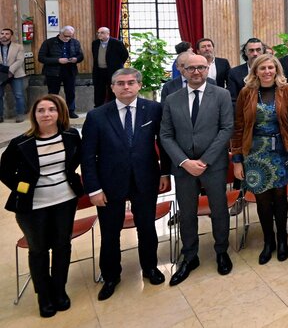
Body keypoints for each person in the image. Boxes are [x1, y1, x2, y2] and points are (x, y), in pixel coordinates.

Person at [81, 67, 170, 300]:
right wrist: (94, 189)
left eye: (131, 82)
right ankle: (110, 276)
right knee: (110, 232)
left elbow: (163, 142)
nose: (126, 87)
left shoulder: (153, 109)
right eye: (120, 83)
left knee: (147, 227)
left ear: (139, 85)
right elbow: (88, 156)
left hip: (145, 179)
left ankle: (150, 267)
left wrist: (164, 173)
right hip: (109, 184)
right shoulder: (97, 116)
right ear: (112, 87)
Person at [0, 95, 82, 317]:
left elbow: (76, 161)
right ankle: (43, 296)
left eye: (51, 109)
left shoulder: (71, 136)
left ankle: (59, 290)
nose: (46, 114)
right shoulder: (21, 143)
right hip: (33, 206)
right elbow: (4, 171)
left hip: (65, 201)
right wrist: (22, 187)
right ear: (34, 115)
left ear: (59, 112)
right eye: (41, 110)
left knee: (62, 246)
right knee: (38, 250)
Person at [159, 54, 235, 286]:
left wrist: (205, 160)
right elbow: (165, 135)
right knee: (188, 212)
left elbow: (227, 129)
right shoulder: (172, 99)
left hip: (213, 164)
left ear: (207, 68)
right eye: (191, 68)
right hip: (183, 168)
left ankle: (221, 251)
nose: (196, 72)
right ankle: (190, 256)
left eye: (201, 67)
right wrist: (184, 162)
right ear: (182, 70)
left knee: (219, 209)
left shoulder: (221, 95)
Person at [230, 54, 288, 264]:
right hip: (255, 153)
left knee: (280, 198)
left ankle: (282, 239)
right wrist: (236, 159)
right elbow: (239, 126)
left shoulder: (287, 90)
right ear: (255, 71)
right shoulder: (247, 93)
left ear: (277, 70)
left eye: (271, 67)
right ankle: (268, 241)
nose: (267, 71)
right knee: (262, 200)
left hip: (281, 150)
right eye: (263, 68)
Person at [38, 26, 84, 118]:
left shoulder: (75, 42)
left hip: (70, 70)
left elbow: (80, 55)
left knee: (70, 92)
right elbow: (41, 58)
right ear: (60, 33)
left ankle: (70, 111)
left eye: (70, 36)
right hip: (53, 72)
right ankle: (53, 110)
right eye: (66, 36)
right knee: (53, 93)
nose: (68, 38)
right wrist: (58, 60)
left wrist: (76, 59)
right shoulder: (49, 42)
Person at [91, 27, 129, 108]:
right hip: (99, 71)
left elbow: (125, 55)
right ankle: (98, 108)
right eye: (98, 33)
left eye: (102, 32)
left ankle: (113, 107)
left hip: (113, 71)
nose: (99, 34)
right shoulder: (95, 43)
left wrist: (117, 65)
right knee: (99, 90)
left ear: (108, 34)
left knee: (113, 89)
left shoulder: (117, 43)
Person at [0, 27, 27, 122]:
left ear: (11, 36)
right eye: (2, 33)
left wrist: (11, 71)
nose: (4, 35)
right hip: (0, 74)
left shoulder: (18, 47)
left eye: (7, 34)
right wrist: (6, 70)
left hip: (15, 74)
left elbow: (20, 60)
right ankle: (0, 116)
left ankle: (20, 114)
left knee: (19, 95)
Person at [227, 38, 265, 103]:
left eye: (258, 50)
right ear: (245, 52)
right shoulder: (234, 73)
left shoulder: (271, 71)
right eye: (251, 50)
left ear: (263, 51)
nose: (255, 53)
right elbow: (233, 100)